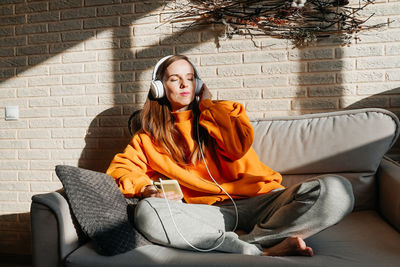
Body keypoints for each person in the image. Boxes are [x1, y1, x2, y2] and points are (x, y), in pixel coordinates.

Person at [106, 55, 354, 256]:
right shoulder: (147, 139)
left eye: (191, 78)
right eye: (174, 79)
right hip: (209, 213)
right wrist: (146, 189)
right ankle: (258, 250)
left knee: (336, 190)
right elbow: (121, 171)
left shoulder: (226, 111)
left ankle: (252, 243)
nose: (184, 85)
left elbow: (236, 147)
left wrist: (207, 107)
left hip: (263, 201)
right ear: (159, 89)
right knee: (147, 212)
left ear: (199, 84)